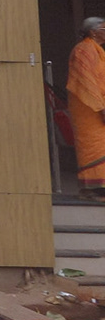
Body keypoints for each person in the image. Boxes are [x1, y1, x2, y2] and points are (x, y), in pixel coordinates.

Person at [68, 17, 105, 198]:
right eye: (104, 28)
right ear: (92, 32)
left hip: (99, 104)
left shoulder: (98, 51)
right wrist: (101, 107)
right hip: (88, 106)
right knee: (95, 144)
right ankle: (92, 188)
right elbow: (86, 82)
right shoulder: (84, 50)